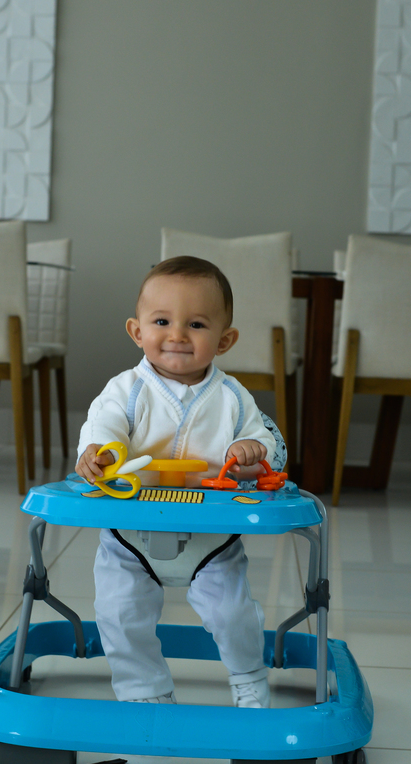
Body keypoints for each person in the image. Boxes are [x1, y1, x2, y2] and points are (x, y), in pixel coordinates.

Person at [76, 256, 279, 707]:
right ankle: (144, 692)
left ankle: (248, 677)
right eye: (162, 321)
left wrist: (249, 450)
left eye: (197, 324)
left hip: (211, 538)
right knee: (118, 613)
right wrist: (101, 453)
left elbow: (257, 439)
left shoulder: (232, 397)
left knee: (232, 615)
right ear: (137, 331)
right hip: (130, 531)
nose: (177, 336)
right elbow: (103, 427)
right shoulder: (125, 390)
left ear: (225, 340)